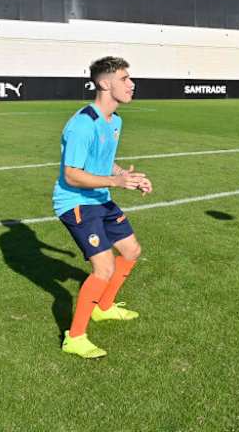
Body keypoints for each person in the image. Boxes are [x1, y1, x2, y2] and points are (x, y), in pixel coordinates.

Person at [53, 56, 152, 359]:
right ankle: (75, 336)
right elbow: (72, 173)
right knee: (104, 267)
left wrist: (125, 177)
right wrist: (115, 181)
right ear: (104, 83)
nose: (131, 84)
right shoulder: (83, 123)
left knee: (132, 251)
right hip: (76, 202)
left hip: (100, 198)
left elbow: (104, 161)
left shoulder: (115, 121)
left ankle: (104, 308)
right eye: (124, 78)